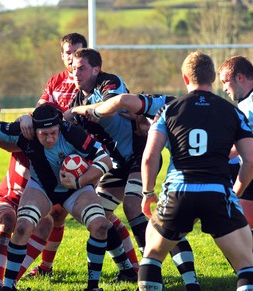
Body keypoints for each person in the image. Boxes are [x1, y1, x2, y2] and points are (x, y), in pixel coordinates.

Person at [64, 48, 199, 289]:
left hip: (140, 154)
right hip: (116, 165)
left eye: (81, 68)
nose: (76, 73)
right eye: (73, 69)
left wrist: (81, 113)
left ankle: (164, 272)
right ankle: (128, 270)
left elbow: (114, 105)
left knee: (134, 206)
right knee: (99, 217)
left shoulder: (109, 82)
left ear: (96, 69)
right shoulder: (76, 101)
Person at [138, 51, 253, 291]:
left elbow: (150, 156)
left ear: (185, 78)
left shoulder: (168, 110)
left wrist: (147, 191)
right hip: (217, 192)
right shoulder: (232, 112)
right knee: (246, 265)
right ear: (213, 78)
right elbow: (250, 162)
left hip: (177, 191)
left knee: (152, 257)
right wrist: (235, 192)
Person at [0, 104, 122, 291]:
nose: (50, 138)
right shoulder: (24, 132)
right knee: (22, 228)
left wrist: (80, 181)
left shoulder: (72, 133)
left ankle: (92, 286)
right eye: (44, 134)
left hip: (76, 189)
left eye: (54, 133)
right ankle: (7, 286)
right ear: (34, 130)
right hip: (41, 187)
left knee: (101, 225)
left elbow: (105, 160)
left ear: (59, 127)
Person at [218, 55, 253, 259]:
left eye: (225, 82)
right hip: (251, 172)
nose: (224, 89)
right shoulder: (247, 101)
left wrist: (237, 150)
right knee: (232, 230)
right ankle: (249, 277)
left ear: (240, 77)